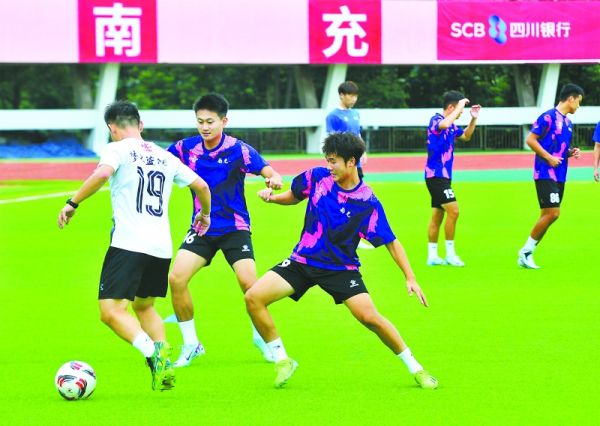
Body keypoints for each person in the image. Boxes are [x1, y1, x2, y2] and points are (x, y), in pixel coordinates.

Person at [244, 132, 438, 390]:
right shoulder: (317, 177)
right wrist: (273, 199)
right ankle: (282, 360)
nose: (329, 166)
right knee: (253, 298)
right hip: (303, 261)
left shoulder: (367, 202)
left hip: (340, 269)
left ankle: (417, 368)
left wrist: (410, 277)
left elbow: (391, 241)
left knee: (370, 318)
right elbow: (294, 195)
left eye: (333, 161)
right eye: (327, 160)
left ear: (351, 162)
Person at [57, 100, 212, 391]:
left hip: (129, 243)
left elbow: (102, 174)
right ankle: (163, 361)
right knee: (144, 306)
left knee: (110, 312)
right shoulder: (165, 156)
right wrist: (204, 215)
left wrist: (73, 203)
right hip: (161, 247)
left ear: (111, 128)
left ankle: (154, 353)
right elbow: (202, 186)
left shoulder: (116, 149)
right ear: (140, 125)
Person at [166, 93, 283, 367]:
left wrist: (274, 180)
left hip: (234, 228)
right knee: (176, 279)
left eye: (210, 122)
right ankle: (191, 344)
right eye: (200, 122)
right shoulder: (184, 148)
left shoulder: (239, 150)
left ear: (224, 121)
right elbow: (158, 161)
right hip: (202, 227)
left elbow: (268, 171)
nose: (205, 127)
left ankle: (261, 338)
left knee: (250, 285)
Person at [518, 83, 584, 269]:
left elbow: (558, 151)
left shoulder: (568, 123)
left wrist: (570, 152)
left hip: (560, 175)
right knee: (553, 213)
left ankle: (528, 254)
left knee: (549, 215)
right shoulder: (548, 117)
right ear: (571, 98)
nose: (579, 106)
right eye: (578, 101)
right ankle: (525, 252)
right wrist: (548, 157)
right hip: (545, 172)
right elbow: (530, 139)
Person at [425, 90, 480, 267]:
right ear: (451, 107)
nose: (460, 113)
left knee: (437, 215)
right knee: (454, 211)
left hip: (444, 177)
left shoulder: (451, 126)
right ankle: (450, 254)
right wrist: (460, 107)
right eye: (459, 109)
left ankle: (432, 256)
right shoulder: (436, 120)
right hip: (436, 176)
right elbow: (444, 123)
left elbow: (466, 136)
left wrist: (473, 119)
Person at [326, 81, 372, 250]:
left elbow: (358, 135)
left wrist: (363, 151)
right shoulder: (333, 116)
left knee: (358, 198)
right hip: (344, 165)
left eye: (355, 96)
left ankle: (355, 236)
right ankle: (345, 235)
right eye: (350, 96)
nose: (353, 99)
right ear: (341, 95)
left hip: (356, 164)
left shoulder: (355, 114)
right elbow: (332, 141)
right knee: (344, 199)